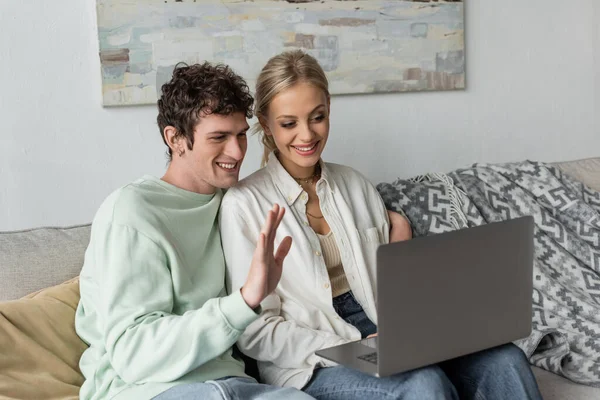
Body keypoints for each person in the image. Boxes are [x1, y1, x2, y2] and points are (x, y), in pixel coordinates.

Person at [219, 50, 543, 400]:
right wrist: (354, 345)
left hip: (387, 338)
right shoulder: (244, 205)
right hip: (310, 362)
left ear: (329, 107)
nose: (306, 135)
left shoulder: (356, 185)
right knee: (422, 384)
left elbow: (394, 293)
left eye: (317, 117)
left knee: (506, 360)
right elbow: (254, 331)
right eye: (288, 123)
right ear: (266, 123)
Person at [75, 62, 314, 400]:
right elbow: (133, 352)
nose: (236, 152)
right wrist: (244, 300)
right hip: (145, 390)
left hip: (235, 384)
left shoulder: (237, 203)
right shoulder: (132, 212)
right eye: (219, 137)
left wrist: (390, 220)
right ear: (175, 138)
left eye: (241, 134)